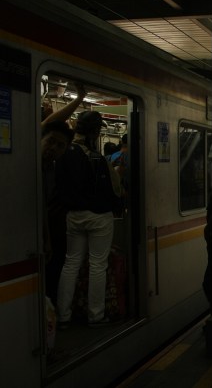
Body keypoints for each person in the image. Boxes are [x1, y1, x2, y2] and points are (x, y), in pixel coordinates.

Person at [55, 111, 122, 327]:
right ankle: (96, 315)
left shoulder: (63, 153)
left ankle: (63, 316)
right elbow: (114, 189)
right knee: (97, 265)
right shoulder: (96, 158)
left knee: (71, 263)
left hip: (73, 216)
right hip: (98, 217)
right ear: (94, 131)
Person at [42, 121, 75, 303]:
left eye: (60, 145)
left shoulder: (50, 169)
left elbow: (42, 208)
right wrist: (78, 97)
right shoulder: (30, 163)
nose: (53, 148)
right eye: (51, 141)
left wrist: (47, 239)